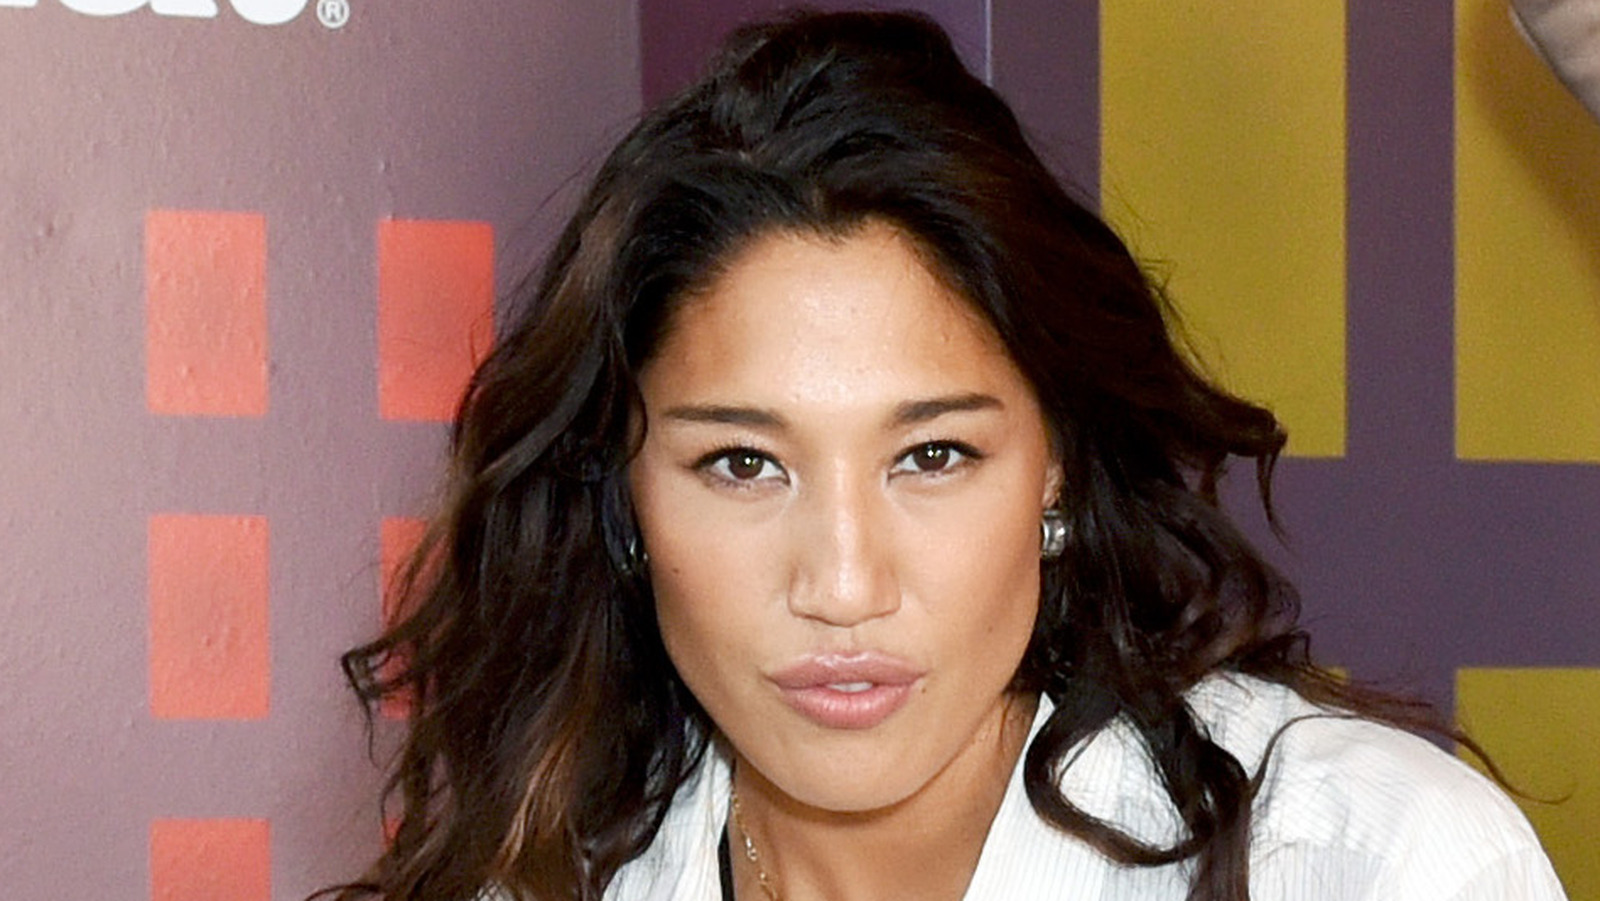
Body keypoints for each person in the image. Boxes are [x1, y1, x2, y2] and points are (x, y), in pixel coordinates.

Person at [325, 11, 1568, 901]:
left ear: (1055, 467)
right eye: (744, 465)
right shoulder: (535, 880)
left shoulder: (1364, 863)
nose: (844, 584)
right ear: (625, 498)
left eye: (930, 454)